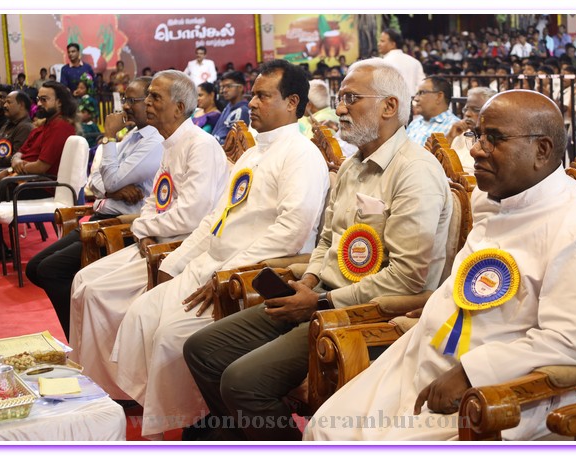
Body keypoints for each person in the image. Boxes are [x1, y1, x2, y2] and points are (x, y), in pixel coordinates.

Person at [304, 89, 576, 441]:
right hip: (419, 356)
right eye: (477, 135)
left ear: (542, 150)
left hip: (495, 395)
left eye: (494, 139)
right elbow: (471, 284)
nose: (476, 150)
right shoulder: (492, 196)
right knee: (325, 428)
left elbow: (574, 342)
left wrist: (471, 372)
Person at [184, 58, 453, 441]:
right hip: (317, 295)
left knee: (242, 382)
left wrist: (321, 302)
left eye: (351, 99)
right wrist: (308, 282)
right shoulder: (353, 166)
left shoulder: (415, 171)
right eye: (340, 98)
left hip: (363, 314)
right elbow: (327, 241)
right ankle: (243, 437)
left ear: (389, 107)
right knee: (201, 349)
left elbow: (407, 278)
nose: (340, 108)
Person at [110, 59, 330, 440]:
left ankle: (204, 424)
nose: (252, 103)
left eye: (263, 96)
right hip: (210, 263)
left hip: (247, 275)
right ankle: (195, 418)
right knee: (141, 314)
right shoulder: (251, 154)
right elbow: (216, 217)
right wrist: (175, 262)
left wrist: (226, 273)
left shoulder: (301, 154)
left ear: (292, 102)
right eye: (253, 95)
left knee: (170, 337)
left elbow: (291, 232)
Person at [68, 70, 229, 403]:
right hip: (155, 239)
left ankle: (118, 391)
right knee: (82, 279)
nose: (148, 104)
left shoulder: (200, 146)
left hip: (180, 246)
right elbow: (154, 201)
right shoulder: (171, 144)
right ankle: (89, 378)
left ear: (179, 107)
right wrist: (144, 226)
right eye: (150, 96)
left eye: (156, 97)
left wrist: (143, 229)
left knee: (97, 293)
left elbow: (193, 215)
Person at [26, 77, 164, 337]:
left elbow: (108, 179)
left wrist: (109, 137)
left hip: (121, 226)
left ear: (150, 102)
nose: (125, 106)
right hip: (101, 216)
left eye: (131, 100)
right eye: (124, 100)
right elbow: (94, 181)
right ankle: (85, 333)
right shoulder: (132, 136)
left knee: (50, 271)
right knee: (34, 268)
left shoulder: (153, 141)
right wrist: (113, 188)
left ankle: (80, 339)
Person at [0, 81, 77, 264]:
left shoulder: (61, 127)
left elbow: (41, 166)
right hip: (25, 178)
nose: (38, 103)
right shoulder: (44, 125)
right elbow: (18, 153)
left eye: (44, 99)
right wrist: (14, 164)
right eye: (38, 99)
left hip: (42, 184)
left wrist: (13, 168)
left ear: (59, 102)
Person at [445, 87, 496, 174]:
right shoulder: (461, 133)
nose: (467, 114)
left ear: (492, 113)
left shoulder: (497, 141)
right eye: (466, 109)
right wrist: (450, 136)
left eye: (476, 110)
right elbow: (436, 164)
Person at [0, 91, 34, 170]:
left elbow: (14, 159)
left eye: (8, 102)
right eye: (5, 102)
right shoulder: (7, 123)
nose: (4, 105)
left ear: (21, 105)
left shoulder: (25, 128)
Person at [406, 76, 460, 147]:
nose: (416, 99)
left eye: (422, 93)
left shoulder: (455, 128)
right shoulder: (415, 123)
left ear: (439, 96)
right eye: (417, 94)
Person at [378, 28, 425, 107]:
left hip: (391, 108)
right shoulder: (415, 62)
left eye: (382, 41)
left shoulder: (383, 63)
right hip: (412, 107)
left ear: (393, 44)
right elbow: (422, 87)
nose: (378, 44)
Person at [211, 71, 250, 145]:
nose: (224, 90)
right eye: (222, 87)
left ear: (240, 88)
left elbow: (235, 143)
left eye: (228, 86)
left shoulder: (243, 111)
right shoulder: (227, 107)